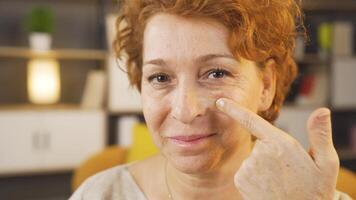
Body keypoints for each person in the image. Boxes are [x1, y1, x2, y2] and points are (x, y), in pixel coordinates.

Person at [70, 0, 352, 199]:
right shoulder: (99, 194)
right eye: (160, 78)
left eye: (216, 73)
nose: (185, 110)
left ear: (266, 85)